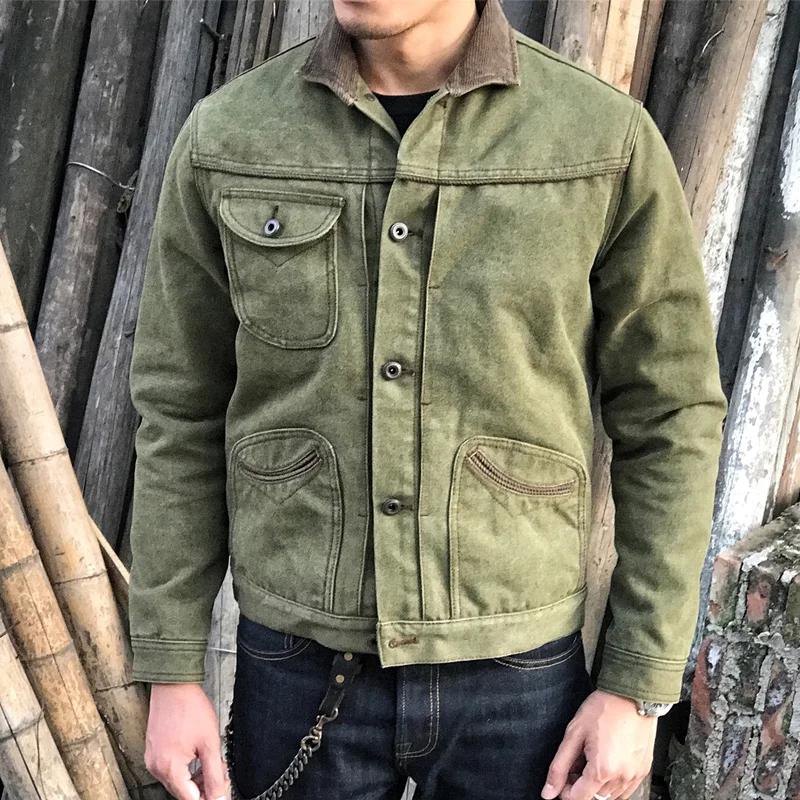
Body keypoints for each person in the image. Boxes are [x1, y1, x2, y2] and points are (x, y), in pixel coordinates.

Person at [126, 0, 728, 798]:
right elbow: (180, 408)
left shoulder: (599, 143)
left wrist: (637, 683)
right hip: (299, 665)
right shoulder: (230, 139)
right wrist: (172, 667)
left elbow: (671, 415)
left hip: (519, 676)